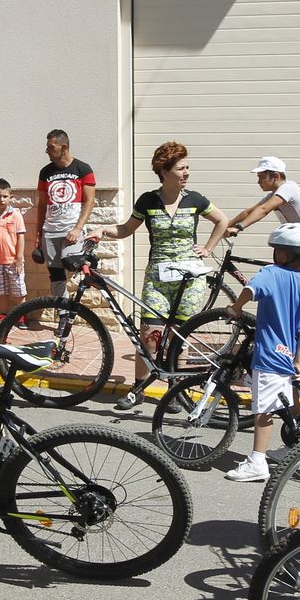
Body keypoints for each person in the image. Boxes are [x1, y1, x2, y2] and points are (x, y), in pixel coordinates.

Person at [88, 140, 231, 409]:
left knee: (179, 336)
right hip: (158, 277)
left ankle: (176, 391)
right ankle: (138, 389)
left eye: (188, 167)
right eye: (181, 168)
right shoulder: (148, 200)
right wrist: (103, 230)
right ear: (164, 172)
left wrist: (208, 248)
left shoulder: (196, 200)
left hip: (189, 279)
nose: (186, 173)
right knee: (149, 335)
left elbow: (222, 220)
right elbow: (126, 229)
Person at [222, 223, 300, 483]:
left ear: (284, 254)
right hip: (289, 357)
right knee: (291, 405)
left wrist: (236, 307)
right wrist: (299, 360)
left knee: (263, 410)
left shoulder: (272, 272)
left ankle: (257, 461)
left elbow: (251, 290)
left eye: (277, 249)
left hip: (269, 355)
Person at [227, 155, 300, 266]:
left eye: (261, 177)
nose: (258, 182)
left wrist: (239, 227)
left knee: (288, 274)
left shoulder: (288, 188)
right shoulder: (274, 195)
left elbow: (264, 209)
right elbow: (249, 212)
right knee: (283, 273)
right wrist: (226, 226)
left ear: (276, 176)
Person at [32, 129, 97, 298]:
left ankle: (89, 259)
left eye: (51, 147)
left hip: (71, 229)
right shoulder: (45, 172)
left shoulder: (82, 169)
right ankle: (63, 314)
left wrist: (77, 228)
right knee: (56, 276)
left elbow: (90, 201)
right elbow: (42, 204)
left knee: (71, 263)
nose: (47, 151)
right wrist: (38, 232)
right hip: (50, 231)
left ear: (64, 147)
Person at [0, 178, 27, 322]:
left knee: (18, 290)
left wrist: (19, 257)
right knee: (1, 290)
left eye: (4, 196)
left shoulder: (16, 215)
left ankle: (21, 315)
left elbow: (21, 237)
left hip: (13, 261)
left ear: (11, 197)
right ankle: (4, 314)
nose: (1, 199)